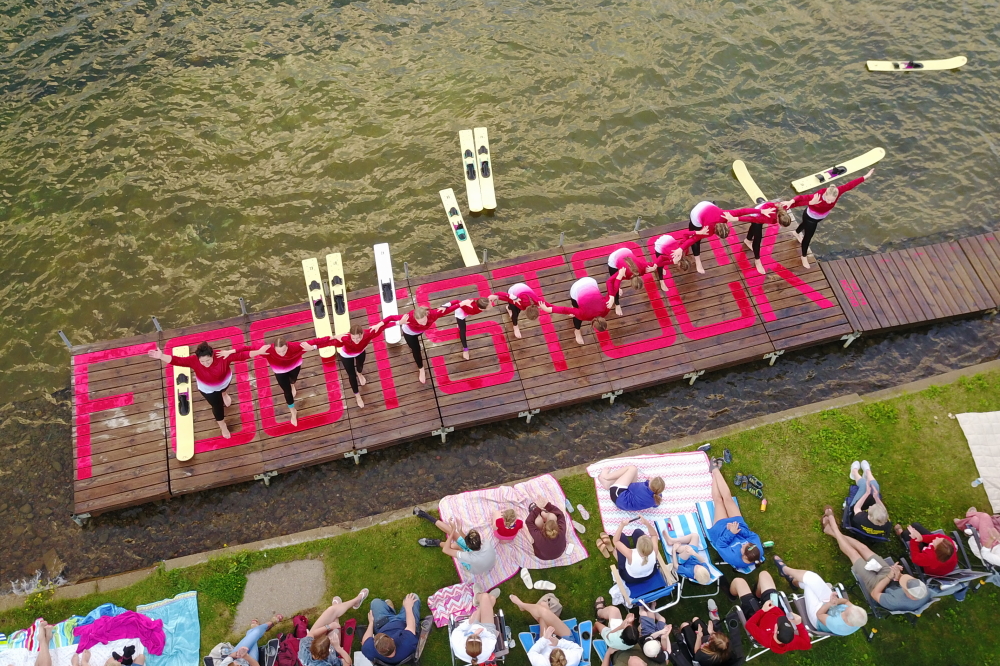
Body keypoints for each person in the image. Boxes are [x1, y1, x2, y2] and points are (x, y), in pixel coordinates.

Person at [821, 506, 929, 612]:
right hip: (889, 575)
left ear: (909, 595)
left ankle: (833, 528)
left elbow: (874, 594)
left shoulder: (894, 602)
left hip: (876, 585)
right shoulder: (922, 590)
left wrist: (889, 577)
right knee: (863, 548)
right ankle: (831, 531)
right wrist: (898, 574)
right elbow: (904, 579)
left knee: (853, 554)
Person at [147, 341, 253, 439]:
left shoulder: (221, 355)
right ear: (198, 359)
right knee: (217, 407)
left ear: (213, 355)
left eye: (208, 360)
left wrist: (259, 351)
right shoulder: (193, 361)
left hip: (224, 382)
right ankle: (223, 426)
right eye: (202, 361)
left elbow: (242, 355)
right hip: (208, 390)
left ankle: (224, 394)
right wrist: (161, 356)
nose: (206, 363)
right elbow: (177, 360)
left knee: (224, 390)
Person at [225, 336, 334, 425]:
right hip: (280, 371)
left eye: (284, 350)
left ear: (287, 345)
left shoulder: (295, 346)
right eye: (279, 351)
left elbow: (317, 341)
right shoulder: (267, 349)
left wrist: (331, 338)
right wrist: (230, 351)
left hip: (295, 366)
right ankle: (293, 411)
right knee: (287, 392)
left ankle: (292, 385)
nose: (282, 353)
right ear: (274, 348)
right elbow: (247, 348)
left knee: (293, 380)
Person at [788, 169, 874, 268]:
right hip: (810, 218)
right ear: (825, 194)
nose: (829, 202)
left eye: (832, 201)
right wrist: (791, 202)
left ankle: (796, 232)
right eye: (828, 200)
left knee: (804, 225)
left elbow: (850, 185)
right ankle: (803, 257)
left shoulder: (837, 191)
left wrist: (865, 176)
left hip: (819, 217)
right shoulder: (818, 196)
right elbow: (801, 198)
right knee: (807, 238)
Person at [772, 555, 867, 635]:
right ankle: (787, 573)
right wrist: (836, 601)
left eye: (846, 610)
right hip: (830, 605)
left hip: (817, 618)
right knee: (812, 578)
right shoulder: (856, 615)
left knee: (808, 586)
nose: (846, 607)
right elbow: (846, 601)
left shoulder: (836, 624)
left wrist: (830, 604)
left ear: (846, 619)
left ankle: (788, 576)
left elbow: (819, 614)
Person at [321, 317, 397, 408]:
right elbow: (328, 343)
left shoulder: (368, 334)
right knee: (351, 375)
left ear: (362, 334)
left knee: (360, 367)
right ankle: (357, 395)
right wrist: (333, 337)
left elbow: (384, 326)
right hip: (346, 356)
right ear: (350, 335)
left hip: (360, 352)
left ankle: (360, 374)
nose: (356, 341)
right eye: (353, 338)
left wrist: (399, 322)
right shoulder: (345, 338)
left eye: (358, 338)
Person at [729, 572, 811, 654]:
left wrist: (763, 610)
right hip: (774, 606)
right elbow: (807, 645)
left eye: (780, 622)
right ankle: (758, 594)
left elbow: (749, 625)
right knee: (764, 574)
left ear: (775, 630)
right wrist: (799, 624)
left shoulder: (765, 639)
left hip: (755, 614)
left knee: (739, 581)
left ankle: (732, 595)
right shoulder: (791, 641)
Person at [539, 269, 624, 345]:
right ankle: (577, 330)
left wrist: (619, 276)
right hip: (576, 288)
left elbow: (614, 288)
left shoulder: (607, 308)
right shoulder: (583, 315)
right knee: (576, 316)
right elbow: (564, 309)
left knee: (576, 313)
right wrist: (546, 309)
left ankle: (575, 314)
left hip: (590, 281)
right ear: (593, 325)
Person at [706, 466, 763, 569]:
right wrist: (737, 529)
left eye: (743, 547)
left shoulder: (733, 559)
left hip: (722, 533)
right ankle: (715, 470)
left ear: (744, 555)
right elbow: (753, 535)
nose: (742, 545)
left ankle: (714, 473)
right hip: (738, 528)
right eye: (745, 544)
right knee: (728, 499)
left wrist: (731, 533)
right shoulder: (758, 550)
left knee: (718, 501)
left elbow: (720, 545)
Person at [413, 508, 497, 576]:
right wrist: (459, 530)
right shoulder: (486, 543)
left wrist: (453, 530)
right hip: (480, 558)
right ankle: (424, 515)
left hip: (473, 567)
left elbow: (446, 550)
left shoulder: (469, 557)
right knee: (454, 534)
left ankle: (436, 542)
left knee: (453, 546)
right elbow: (467, 540)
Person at [686, 202, 760, 273]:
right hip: (696, 214)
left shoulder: (726, 215)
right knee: (696, 240)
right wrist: (680, 248)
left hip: (708, 206)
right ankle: (698, 261)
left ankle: (715, 207)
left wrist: (761, 211)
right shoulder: (708, 230)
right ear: (716, 233)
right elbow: (694, 239)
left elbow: (743, 211)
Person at [509, 595, 583, 666]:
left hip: (545, 644)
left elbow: (531, 653)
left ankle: (521, 605)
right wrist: (559, 643)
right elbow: (578, 648)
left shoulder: (541, 663)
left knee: (543, 609)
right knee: (544, 610)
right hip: (566, 640)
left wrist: (544, 639)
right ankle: (525, 606)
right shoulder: (573, 659)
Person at [399, 303, 460, 384]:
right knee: (416, 349)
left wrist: (449, 305)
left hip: (419, 331)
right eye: (420, 322)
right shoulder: (409, 317)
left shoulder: (433, 314)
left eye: (424, 320)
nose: (423, 323)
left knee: (419, 333)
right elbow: (389, 319)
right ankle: (421, 369)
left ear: (427, 315)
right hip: (409, 333)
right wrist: (399, 322)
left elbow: (450, 308)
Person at [302, 592, 368, 666]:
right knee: (335, 626)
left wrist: (329, 626)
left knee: (331, 613)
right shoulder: (330, 661)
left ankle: (352, 602)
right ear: (327, 653)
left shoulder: (305, 645)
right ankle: (339, 607)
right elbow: (348, 662)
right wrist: (338, 647)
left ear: (312, 644)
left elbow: (312, 634)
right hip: (332, 649)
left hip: (317, 651)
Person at [361, 593, 420, 665]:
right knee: (414, 597)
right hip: (404, 622)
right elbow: (411, 626)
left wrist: (371, 623)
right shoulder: (407, 642)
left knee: (375, 602)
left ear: (378, 651)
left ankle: (390, 609)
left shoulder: (369, 649)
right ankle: (390, 609)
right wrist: (408, 607)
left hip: (383, 624)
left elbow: (365, 641)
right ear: (392, 639)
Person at [740, 200, 794, 275]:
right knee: (757, 238)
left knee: (755, 228)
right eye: (780, 225)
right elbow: (753, 219)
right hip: (757, 215)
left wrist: (791, 201)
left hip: (765, 211)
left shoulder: (783, 210)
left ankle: (748, 240)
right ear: (778, 219)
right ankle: (757, 260)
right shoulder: (767, 217)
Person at [449, 590, 499, 664]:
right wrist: (482, 631)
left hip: (471, 627)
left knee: (486, 597)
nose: (476, 634)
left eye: (472, 636)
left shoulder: (458, 641)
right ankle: (481, 598)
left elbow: (459, 630)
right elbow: (492, 637)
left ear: (465, 645)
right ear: (482, 645)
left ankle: (479, 598)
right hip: (487, 632)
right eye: (477, 637)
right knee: (490, 598)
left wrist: (469, 622)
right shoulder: (487, 647)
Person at [848, 460, 890, 539]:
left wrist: (867, 493)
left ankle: (854, 472)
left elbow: (856, 508)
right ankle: (868, 472)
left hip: (854, 511)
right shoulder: (886, 524)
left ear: (869, 516)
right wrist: (876, 497)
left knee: (864, 485)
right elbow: (884, 511)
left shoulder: (860, 519)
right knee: (875, 487)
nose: (870, 507)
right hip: (870, 532)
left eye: (871, 508)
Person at [597, 465, 665, 512]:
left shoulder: (641, 488)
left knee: (633, 468)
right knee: (631, 475)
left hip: (616, 496)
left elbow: (629, 485)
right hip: (624, 506)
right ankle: (608, 484)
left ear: (651, 483)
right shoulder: (658, 498)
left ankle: (606, 476)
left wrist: (646, 482)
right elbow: (655, 506)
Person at [607, 248, 655, 314]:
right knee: (615, 282)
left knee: (617, 280)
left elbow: (653, 263)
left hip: (626, 251)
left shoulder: (643, 268)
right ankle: (617, 304)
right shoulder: (623, 273)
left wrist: (654, 267)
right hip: (614, 257)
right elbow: (609, 281)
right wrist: (611, 296)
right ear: (631, 284)